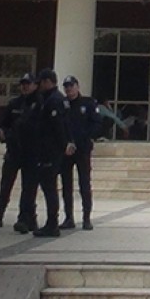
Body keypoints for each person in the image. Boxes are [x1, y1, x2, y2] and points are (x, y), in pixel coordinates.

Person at [18, 70, 70, 238]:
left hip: (49, 151)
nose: (39, 85)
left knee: (49, 188)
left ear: (48, 82)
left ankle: (52, 224)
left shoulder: (53, 100)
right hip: (48, 150)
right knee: (48, 187)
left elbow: (58, 127)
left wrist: (61, 146)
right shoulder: (53, 99)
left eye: (41, 82)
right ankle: (50, 222)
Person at [0, 73, 36, 231]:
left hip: (30, 152)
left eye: (28, 83)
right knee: (6, 185)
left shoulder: (38, 104)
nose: (25, 86)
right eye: (23, 84)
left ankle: (25, 218)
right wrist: (3, 133)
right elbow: (3, 124)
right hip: (13, 151)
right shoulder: (14, 104)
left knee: (28, 188)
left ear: (35, 85)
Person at [59, 76, 97, 232]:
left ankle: (86, 217)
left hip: (82, 149)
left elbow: (96, 123)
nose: (69, 89)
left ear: (77, 86)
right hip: (66, 150)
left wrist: (83, 139)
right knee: (66, 185)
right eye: (66, 87)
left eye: (71, 86)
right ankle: (69, 217)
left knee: (84, 184)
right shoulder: (62, 105)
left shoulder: (87, 103)